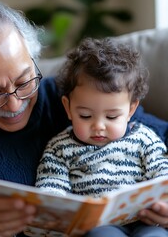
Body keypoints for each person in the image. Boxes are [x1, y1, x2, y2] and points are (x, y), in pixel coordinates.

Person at [0, 0, 168, 237]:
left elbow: (157, 135)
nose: (15, 104)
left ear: (34, 60)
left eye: (24, 82)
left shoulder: (74, 97)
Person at [35, 37, 168, 236]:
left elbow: (162, 175)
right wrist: (56, 211)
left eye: (112, 116)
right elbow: (51, 187)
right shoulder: (59, 148)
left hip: (146, 219)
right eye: (85, 116)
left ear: (131, 110)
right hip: (99, 225)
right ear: (68, 107)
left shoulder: (145, 139)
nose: (98, 126)